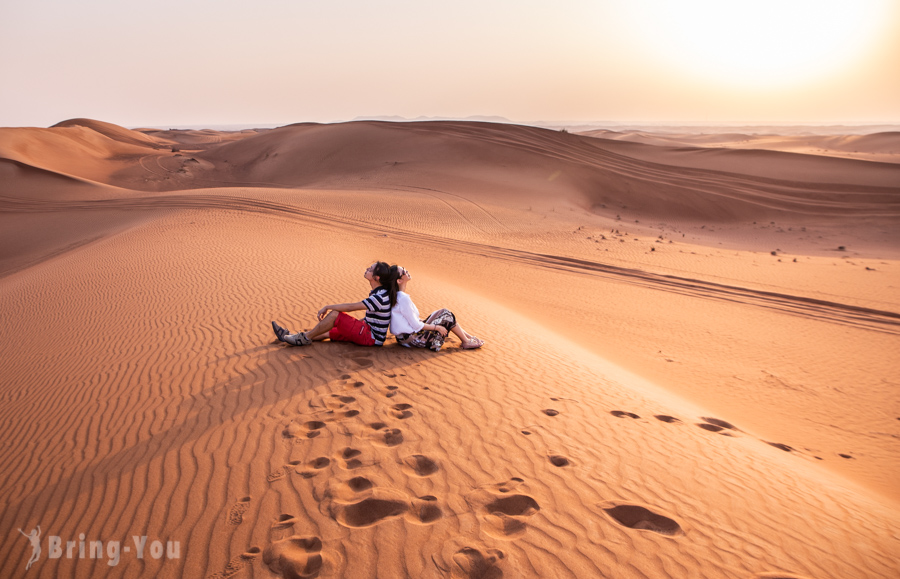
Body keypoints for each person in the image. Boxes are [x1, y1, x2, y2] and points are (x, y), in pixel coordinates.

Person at [272, 262, 398, 347]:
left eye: (370, 270)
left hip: (371, 338)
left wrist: (328, 307)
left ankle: (303, 339)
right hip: (367, 331)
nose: (367, 270)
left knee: (335, 315)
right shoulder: (380, 293)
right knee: (329, 331)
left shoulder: (379, 297)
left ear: (377, 278)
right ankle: (291, 337)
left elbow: (350, 307)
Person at [390, 265, 484, 351]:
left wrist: (436, 322)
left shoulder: (399, 296)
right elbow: (416, 325)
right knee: (447, 315)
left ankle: (468, 337)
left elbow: (412, 321)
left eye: (404, 269)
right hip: (412, 340)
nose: (407, 271)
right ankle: (466, 341)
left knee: (443, 313)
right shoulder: (403, 298)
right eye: (403, 272)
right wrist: (437, 327)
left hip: (404, 338)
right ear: (399, 281)